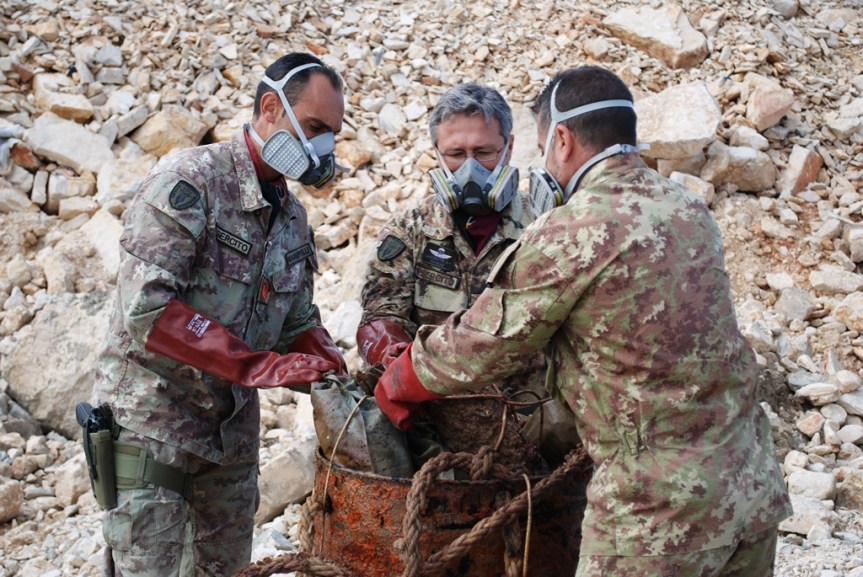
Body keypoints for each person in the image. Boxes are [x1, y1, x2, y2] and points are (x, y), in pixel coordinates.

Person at [374, 66, 792, 576]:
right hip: (748, 486)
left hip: (657, 512)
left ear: (563, 139)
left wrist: (399, 380)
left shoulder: (573, 227)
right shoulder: (687, 207)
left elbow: (484, 343)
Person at [91, 52, 348, 576]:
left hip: (229, 444)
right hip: (153, 432)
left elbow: (298, 322)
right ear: (271, 108)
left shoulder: (293, 218)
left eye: (332, 135)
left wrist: (333, 366)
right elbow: (147, 307)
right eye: (316, 128)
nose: (323, 148)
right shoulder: (190, 182)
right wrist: (255, 365)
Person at [356, 83, 544, 467]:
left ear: (508, 147)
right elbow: (379, 313)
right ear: (437, 156)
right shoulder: (410, 230)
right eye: (456, 154)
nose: (470, 167)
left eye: (484, 152)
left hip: (531, 433)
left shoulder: (545, 229)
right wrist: (388, 349)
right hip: (433, 439)